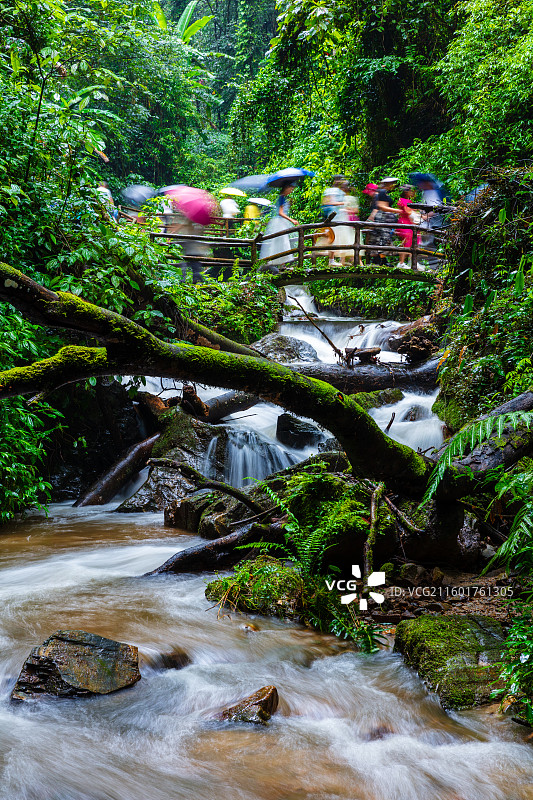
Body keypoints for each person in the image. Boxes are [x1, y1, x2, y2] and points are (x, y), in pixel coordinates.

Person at [259, 182, 298, 273]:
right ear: (286, 188)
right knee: (281, 242)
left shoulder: (283, 198)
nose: (291, 191)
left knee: (282, 243)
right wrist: (292, 220)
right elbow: (281, 212)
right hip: (279, 222)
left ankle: (282, 265)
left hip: (280, 222)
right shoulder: (281, 198)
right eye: (291, 189)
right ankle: (279, 264)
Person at [365, 177, 402, 265]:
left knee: (382, 238)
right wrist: (397, 211)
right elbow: (381, 206)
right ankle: (381, 260)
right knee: (382, 238)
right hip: (382, 219)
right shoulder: (381, 193)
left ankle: (379, 260)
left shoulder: (385, 193)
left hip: (386, 219)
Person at [321, 175, 348, 265]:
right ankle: (331, 260)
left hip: (340, 216)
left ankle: (341, 261)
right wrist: (342, 203)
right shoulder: (330, 191)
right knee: (333, 237)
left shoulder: (340, 192)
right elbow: (328, 202)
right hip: (333, 216)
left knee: (341, 237)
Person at [395, 185, 422, 269]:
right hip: (405, 224)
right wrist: (418, 215)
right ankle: (401, 262)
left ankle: (412, 262)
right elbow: (408, 211)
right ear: (406, 192)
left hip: (410, 224)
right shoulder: (402, 200)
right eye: (411, 191)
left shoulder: (409, 201)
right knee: (407, 243)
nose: (413, 193)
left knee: (412, 243)